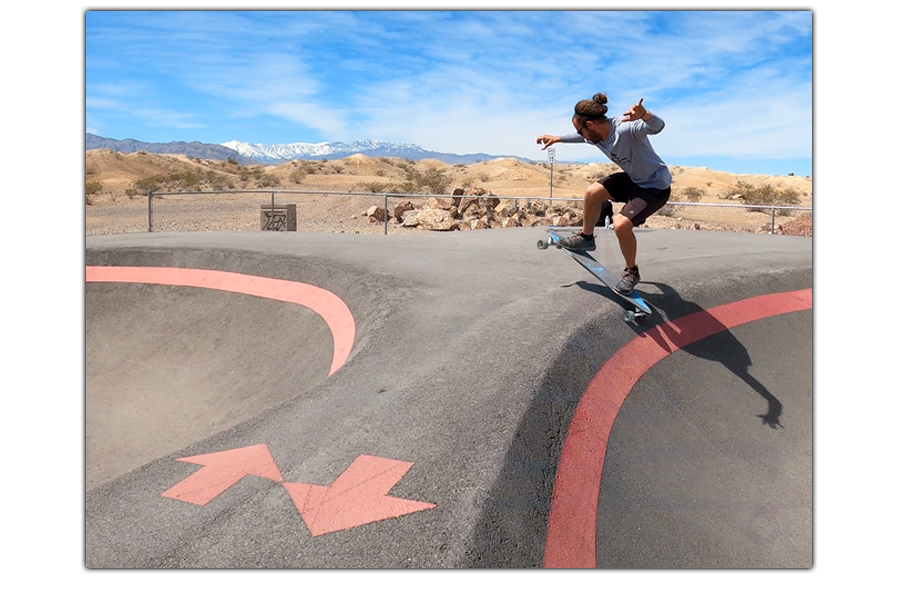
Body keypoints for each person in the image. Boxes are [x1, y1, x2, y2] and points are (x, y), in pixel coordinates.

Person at [537, 93, 671, 295]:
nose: (581, 136)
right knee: (592, 192)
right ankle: (586, 238)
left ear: (590, 124)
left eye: (580, 130)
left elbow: (658, 127)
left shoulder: (626, 127)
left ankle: (631, 272)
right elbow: (580, 138)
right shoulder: (595, 135)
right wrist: (558, 138)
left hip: (655, 187)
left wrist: (645, 114)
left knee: (620, 224)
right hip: (633, 180)